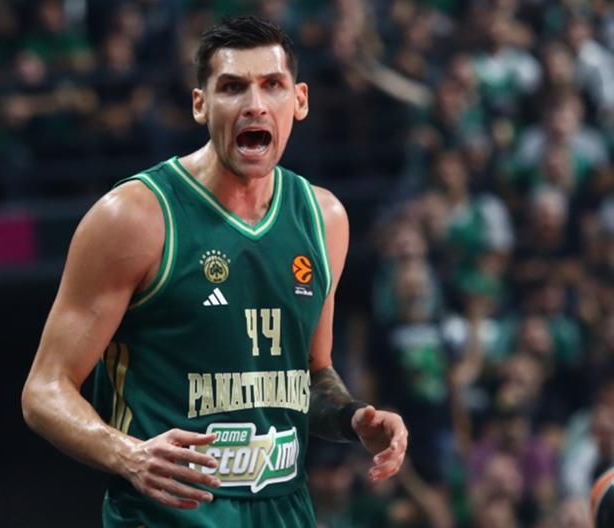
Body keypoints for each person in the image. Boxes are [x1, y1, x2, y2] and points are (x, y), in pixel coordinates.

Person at [21, 15, 408, 526]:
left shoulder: (324, 218)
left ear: (300, 101)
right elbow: (45, 391)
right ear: (200, 104)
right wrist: (128, 455)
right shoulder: (134, 216)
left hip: (284, 510)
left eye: (272, 85)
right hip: (167, 515)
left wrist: (352, 417)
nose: (255, 104)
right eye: (232, 87)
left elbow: (312, 375)